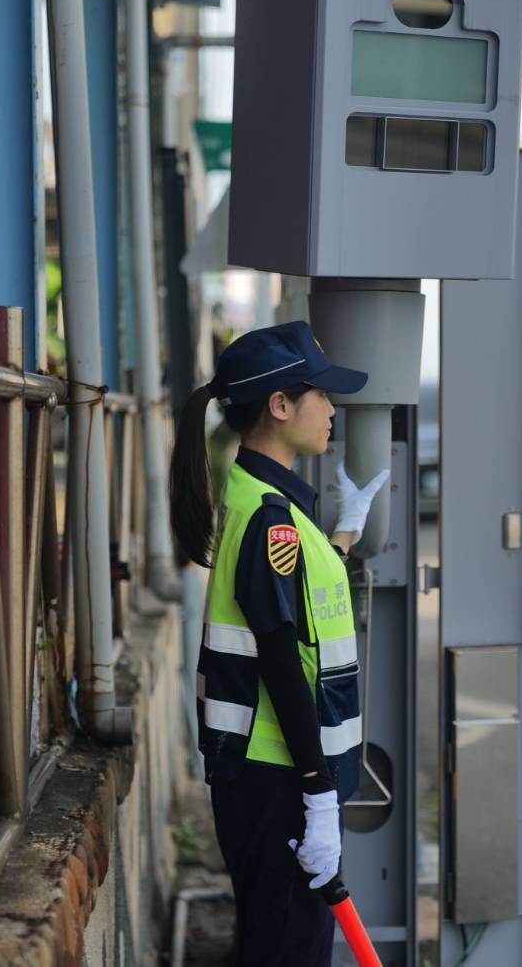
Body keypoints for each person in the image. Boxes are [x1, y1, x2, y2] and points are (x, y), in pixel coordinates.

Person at [170, 320, 390, 966]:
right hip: (282, 788)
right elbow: (280, 661)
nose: (331, 408)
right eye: (319, 393)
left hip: (278, 784)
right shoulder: (271, 520)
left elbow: (293, 613)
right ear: (280, 405)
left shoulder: (271, 507)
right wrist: (319, 794)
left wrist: (343, 537)